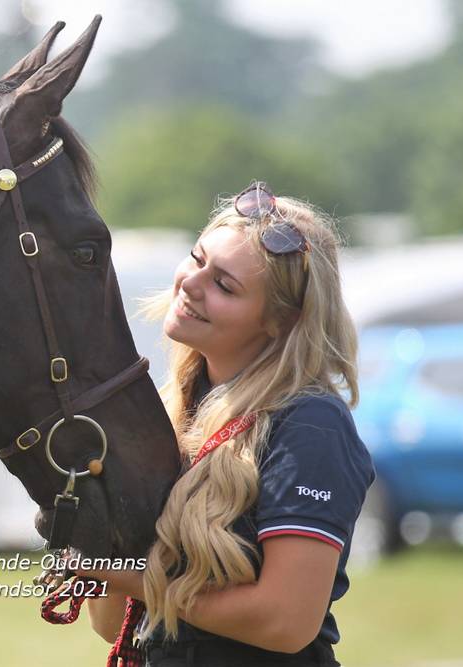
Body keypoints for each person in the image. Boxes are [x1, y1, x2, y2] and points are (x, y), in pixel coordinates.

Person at [79, 181, 375, 666]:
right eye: (197, 259)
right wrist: (92, 541)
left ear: (280, 321)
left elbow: (286, 621)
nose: (191, 284)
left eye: (224, 285)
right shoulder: (166, 410)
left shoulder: (310, 423)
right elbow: (113, 625)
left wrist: (135, 578)